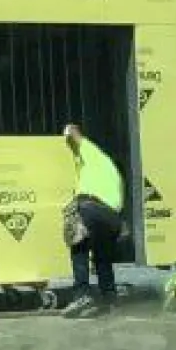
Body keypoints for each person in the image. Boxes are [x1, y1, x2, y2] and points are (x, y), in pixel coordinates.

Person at [61, 123, 125, 318]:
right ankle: (109, 296)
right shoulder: (116, 176)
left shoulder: (94, 154)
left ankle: (82, 293)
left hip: (90, 206)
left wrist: (66, 132)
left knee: (78, 245)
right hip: (112, 217)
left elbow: (74, 131)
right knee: (102, 256)